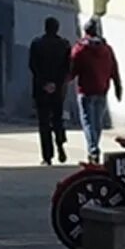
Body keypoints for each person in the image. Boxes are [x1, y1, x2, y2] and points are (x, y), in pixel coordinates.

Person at [69, 18, 122, 164]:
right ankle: (94, 147)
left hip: (85, 91)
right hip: (102, 89)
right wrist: (118, 86)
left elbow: (72, 69)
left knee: (88, 122)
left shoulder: (80, 49)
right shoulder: (107, 49)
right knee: (97, 123)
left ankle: (93, 150)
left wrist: (63, 81)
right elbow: (114, 68)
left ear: (85, 31)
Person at [27, 17, 72, 165]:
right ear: (57, 28)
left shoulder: (37, 44)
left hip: (41, 89)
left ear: (45, 28)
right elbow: (67, 68)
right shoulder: (64, 45)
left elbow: (33, 66)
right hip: (58, 89)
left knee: (44, 123)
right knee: (58, 119)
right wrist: (56, 83)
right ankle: (60, 144)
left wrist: (45, 83)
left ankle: (47, 156)